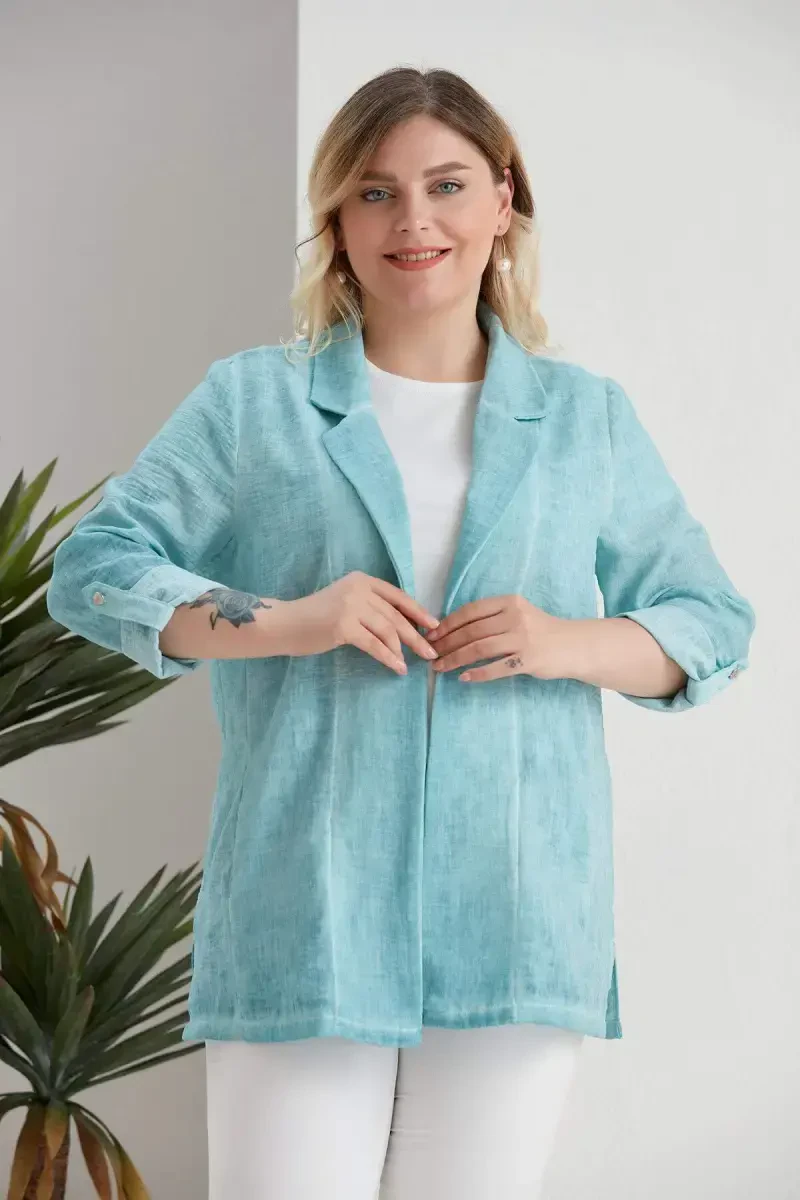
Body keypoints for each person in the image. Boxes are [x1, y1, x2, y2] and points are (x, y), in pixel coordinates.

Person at [46, 66, 756, 1199]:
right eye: (375, 192)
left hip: (516, 919)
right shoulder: (254, 403)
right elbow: (93, 571)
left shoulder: (585, 419)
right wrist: (291, 620)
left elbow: (709, 619)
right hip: (305, 914)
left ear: (503, 201)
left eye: (446, 185)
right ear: (337, 219)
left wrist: (562, 641)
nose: (412, 220)